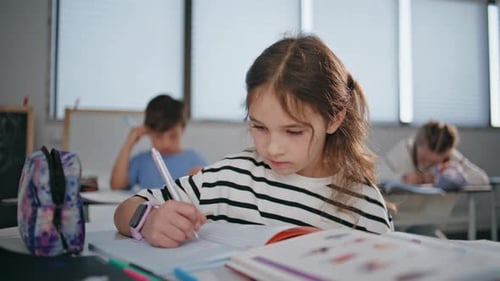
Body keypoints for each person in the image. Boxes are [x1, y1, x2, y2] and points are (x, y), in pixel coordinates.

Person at [113, 34, 393, 248]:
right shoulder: (231, 177)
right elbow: (126, 210)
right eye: (259, 127)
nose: (272, 148)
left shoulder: (365, 206)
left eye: (293, 131)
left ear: (334, 118)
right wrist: (147, 220)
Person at [110, 94, 207, 190]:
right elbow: (116, 186)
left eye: (173, 136)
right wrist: (129, 142)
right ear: (147, 132)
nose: (166, 144)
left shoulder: (195, 160)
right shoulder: (141, 161)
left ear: (183, 129)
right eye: (158, 136)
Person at [377, 120, 489, 187]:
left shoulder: (450, 155)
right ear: (418, 143)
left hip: (433, 221)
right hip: (402, 219)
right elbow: (376, 176)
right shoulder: (406, 148)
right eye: (424, 159)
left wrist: (447, 177)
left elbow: (482, 180)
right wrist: (403, 178)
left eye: (433, 163)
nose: (426, 166)